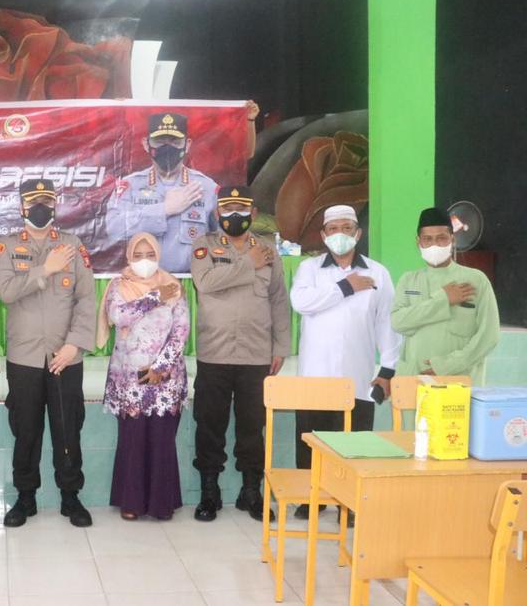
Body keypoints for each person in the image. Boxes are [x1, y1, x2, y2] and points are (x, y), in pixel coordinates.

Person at [0, 179, 96, 528]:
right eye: (33, 202)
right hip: (24, 357)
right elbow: (6, 292)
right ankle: (25, 497)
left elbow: (86, 299)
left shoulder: (72, 245)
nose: (40, 208)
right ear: (22, 207)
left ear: (55, 205)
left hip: (65, 356)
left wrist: (75, 343)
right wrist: (46, 269)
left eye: (47, 201)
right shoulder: (7, 246)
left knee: (68, 430)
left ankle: (70, 496)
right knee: (26, 431)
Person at [289, 204, 401, 519]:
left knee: (354, 441)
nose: (341, 234)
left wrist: (388, 369)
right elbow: (301, 302)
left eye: (347, 228)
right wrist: (345, 287)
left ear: (358, 233)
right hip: (315, 374)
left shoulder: (377, 273)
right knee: (311, 439)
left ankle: (349, 503)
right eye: (334, 229)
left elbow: (387, 323)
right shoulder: (309, 269)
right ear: (324, 235)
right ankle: (312, 498)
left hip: (357, 373)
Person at [190, 185, 290, 522]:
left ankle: (251, 492)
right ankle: (209, 492)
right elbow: (206, 283)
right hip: (214, 354)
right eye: (228, 208)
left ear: (254, 213)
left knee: (252, 427)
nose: (235, 215)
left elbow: (278, 300)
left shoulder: (268, 252)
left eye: (242, 208)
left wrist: (281, 346)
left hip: (256, 354)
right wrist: (248, 263)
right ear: (217, 213)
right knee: (209, 426)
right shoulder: (204, 247)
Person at [97, 232, 189, 521]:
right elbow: (119, 316)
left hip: (166, 378)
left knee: (162, 440)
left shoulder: (173, 285)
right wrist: (154, 297)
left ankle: (161, 504)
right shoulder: (118, 286)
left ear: (158, 256)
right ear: (128, 258)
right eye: (138, 256)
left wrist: (161, 367)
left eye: (150, 255)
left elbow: (181, 330)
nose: (144, 261)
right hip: (130, 378)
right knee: (133, 440)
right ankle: (131, 501)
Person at [105, 102, 260, 273]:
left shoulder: (207, 188)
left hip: (194, 281)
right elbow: (113, 229)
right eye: (159, 141)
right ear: (146, 144)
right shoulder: (130, 186)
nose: (167, 147)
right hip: (145, 281)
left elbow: (228, 236)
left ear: (187, 144)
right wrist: (164, 209)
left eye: (175, 141)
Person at [391, 207, 500, 383]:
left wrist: (446, 366)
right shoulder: (408, 280)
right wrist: (443, 300)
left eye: (441, 238)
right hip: (413, 379)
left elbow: (489, 336)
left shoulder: (475, 280)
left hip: (459, 381)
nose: (434, 244)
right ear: (418, 242)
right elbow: (398, 322)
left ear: (452, 239)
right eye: (427, 239)